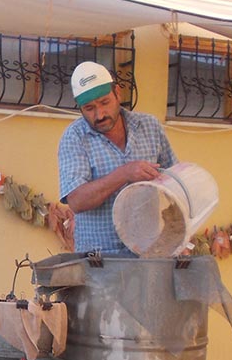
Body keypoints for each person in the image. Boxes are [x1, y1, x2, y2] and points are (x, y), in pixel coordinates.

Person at [58, 61, 178, 254]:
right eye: (89, 108)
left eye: (105, 102)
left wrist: (178, 235)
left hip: (148, 253)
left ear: (118, 93)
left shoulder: (149, 126)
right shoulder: (74, 137)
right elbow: (77, 201)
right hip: (99, 260)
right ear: (80, 109)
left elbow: (174, 180)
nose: (100, 115)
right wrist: (124, 174)